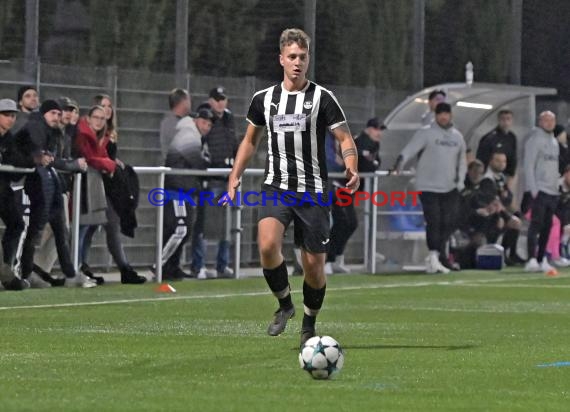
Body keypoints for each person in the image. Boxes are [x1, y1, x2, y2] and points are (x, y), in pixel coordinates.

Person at [223, 28, 359, 346]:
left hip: (312, 192)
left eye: (303, 57)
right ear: (281, 59)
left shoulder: (322, 98)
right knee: (268, 245)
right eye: (292, 57)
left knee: (313, 267)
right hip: (276, 187)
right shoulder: (264, 100)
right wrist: (234, 174)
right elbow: (249, 141)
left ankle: (309, 323)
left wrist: (351, 164)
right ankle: (285, 305)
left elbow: (345, 138)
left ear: (308, 59)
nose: (298, 62)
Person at [15, 99, 97, 288]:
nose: (57, 117)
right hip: (37, 187)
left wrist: (63, 164)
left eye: (58, 114)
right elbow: (45, 159)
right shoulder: (35, 126)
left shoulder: (54, 132)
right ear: (44, 113)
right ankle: (26, 273)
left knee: (60, 232)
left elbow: (51, 161)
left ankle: (69, 274)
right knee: (33, 233)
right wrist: (71, 165)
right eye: (54, 113)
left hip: (51, 187)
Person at [75, 103, 146, 284]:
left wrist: (110, 163)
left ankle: (117, 268)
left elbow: (100, 158)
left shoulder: (102, 137)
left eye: (103, 117)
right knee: (83, 229)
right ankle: (78, 269)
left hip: (100, 188)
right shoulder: (85, 134)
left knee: (101, 227)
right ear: (89, 118)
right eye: (97, 116)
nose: (100, 119)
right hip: (87, 188)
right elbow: (91, 158)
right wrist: (110, 164)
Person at [393, 102, 467, 273]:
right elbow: (410, 149)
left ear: (450, 116)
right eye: (439, 113)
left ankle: (436, 255)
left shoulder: (457, 137)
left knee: (448, 222)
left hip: (449, 187)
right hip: (427, 186)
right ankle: (433, 256)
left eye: (445, 113)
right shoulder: (426, 132)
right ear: (435, 115)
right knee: (433, 221)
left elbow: (462, 161)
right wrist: (400, 162)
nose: (443, 116)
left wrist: (460, 181)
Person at [32, 97, 88, 287]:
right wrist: (73, 165)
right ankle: (32, 270)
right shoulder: (51, 132)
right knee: (46, 230)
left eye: (73, 110)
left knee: (59, 231)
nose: (69, 114)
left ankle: (39, 271)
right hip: (47, 186)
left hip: (59, 187)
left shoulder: (68, 133)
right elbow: (53, 160)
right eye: (65, 110)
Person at [159, 107, 213, 280]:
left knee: (184, 230)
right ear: (196, 120)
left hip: (185, 190)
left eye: (209, 125)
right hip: (177, 190)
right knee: (180, 229)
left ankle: (172, 267)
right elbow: (199, 163)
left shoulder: (193, 135)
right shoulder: (189, 135)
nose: (206, 127)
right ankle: (159, 264)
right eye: (204, 122)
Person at [191, 88, 238, 279]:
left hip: (227, 177)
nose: (220, 103)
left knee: (226, 224)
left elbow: (234, 144)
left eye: (223, 99)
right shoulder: (205, 116)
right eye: (216, 99)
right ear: (210, 100)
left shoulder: (229, 119)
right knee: (203, 223)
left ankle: (222, 264)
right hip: (211, 178)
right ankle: (198, 265)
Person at [522, 111, 560, 274]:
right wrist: (534, 189)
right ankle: (531, 259)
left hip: (552, 191)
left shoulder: (554, 142)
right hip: (540, 189)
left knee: (547, 226)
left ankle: (541, 257)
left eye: (551, 120)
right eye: (546, 120)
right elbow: (528, 165)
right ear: (540, 122)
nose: (549, 123)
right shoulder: (535, 140)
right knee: (536, 224)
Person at [0, 99, 29, 290]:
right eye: (6, 115)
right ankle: (7, 277)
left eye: (13, 116)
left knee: (17, 224)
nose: (10, 119)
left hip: (3, 190)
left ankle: (8, 268)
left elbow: (17, 163)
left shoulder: (9, 138)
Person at [479, 151, 524, 265]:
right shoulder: (487, 179)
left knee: (516, 216)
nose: (501, 164)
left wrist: (505, 198)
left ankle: (510, 253)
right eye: (498, 161)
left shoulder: (500, 178)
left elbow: (508, 197)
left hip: (499, 210)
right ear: (491, 162)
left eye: (504, 161)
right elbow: (493, 201)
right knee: (501, 220)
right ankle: (494, 253)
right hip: (486, 214)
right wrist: (507, 216)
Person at [476, 109, 517, 187]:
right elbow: (481, 158)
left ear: (512, 120)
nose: (506, 122)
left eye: (508, 119)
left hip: (505, 176)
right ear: (498, 120)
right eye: (503, 119)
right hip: (490, 176)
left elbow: (513, 158)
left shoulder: (512, 137)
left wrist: (511, 175)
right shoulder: (490, 138)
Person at [160, 88, 191, 160]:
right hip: (176, 169)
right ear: (183, 102)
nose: (190, 103)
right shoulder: (170, 123)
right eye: (188, 100)